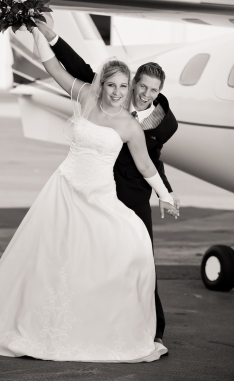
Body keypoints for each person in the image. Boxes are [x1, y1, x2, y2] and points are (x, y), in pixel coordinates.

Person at [0, 28, 178, 363]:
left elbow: (147, 165)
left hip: (99, 197)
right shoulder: (86, 97)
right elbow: (55, 69)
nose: (118, 92)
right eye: (113, 85)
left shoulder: (130, 126)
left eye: (123, 87)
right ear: (103, 84)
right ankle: (33, 323)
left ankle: (102, 325)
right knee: (48, 260)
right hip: (64, 189)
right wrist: (37, 33)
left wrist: (165, 195)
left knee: (125, 251)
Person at [33, 20, 180, 346]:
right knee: (90, 256)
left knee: (142, 257)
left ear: (159, 92)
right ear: (132, 84)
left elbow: (151, 161)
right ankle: (88, 318)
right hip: (96, 185)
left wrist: (164, 194)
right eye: (140, 86)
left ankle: (151, 326)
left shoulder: (164, 122)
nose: (145, 94)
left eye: (153, 90)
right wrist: (48, 35)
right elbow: (76, 69)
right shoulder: (108, 96)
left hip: (134, 191)